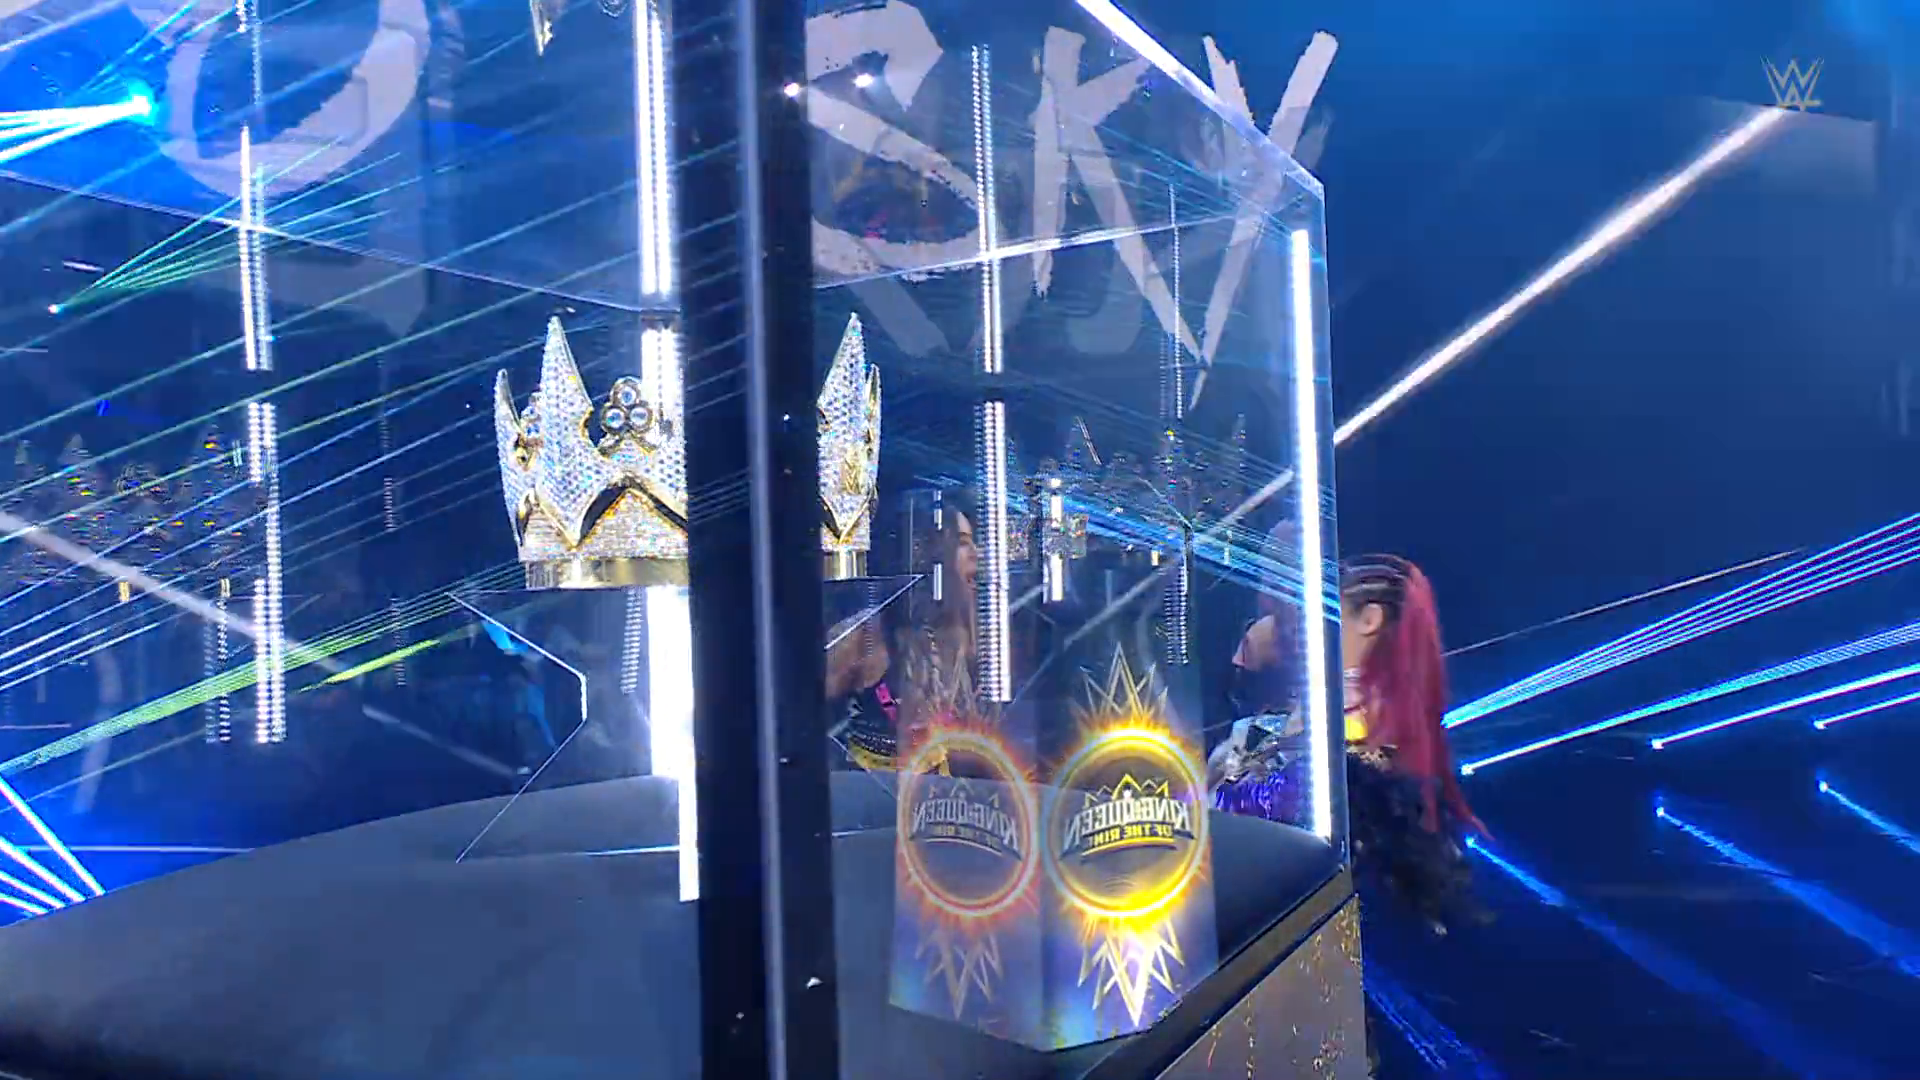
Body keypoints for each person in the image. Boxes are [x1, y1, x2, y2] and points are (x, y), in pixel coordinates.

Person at [1214, 553, 1486, 932]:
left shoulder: (1353, 729)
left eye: (1326, 611)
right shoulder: (1317, 717)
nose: (1305, 626)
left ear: (1369, 620)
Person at [825, 493, 979, 771]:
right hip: (873, 783)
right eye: (962, 543)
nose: (976, 554)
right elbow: (801, 712)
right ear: (928, 553)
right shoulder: (869, 633)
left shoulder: (960, 630)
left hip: (935, 784)